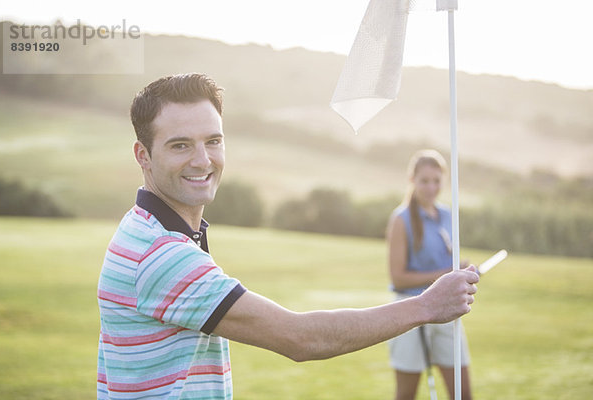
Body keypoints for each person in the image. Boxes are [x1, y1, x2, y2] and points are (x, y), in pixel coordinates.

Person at [97, 73, 479, 400]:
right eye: (180, 145)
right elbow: (301, 338)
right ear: (143, 155)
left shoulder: (146, 227)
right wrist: (425, 307)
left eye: (213, 140)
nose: (203, 159)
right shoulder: (163, 254)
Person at [386, 149, 474, 400]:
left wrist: (462, 272)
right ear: (412, 180)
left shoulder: (447, 215)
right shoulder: (401, 220)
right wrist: (445, 274)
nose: (431, 187)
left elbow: (448, 263)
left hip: (448, 311)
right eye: (425, 180)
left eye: (437, 180)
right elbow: (398, 278)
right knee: (406, 395)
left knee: (463, 395)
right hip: (408, 312)